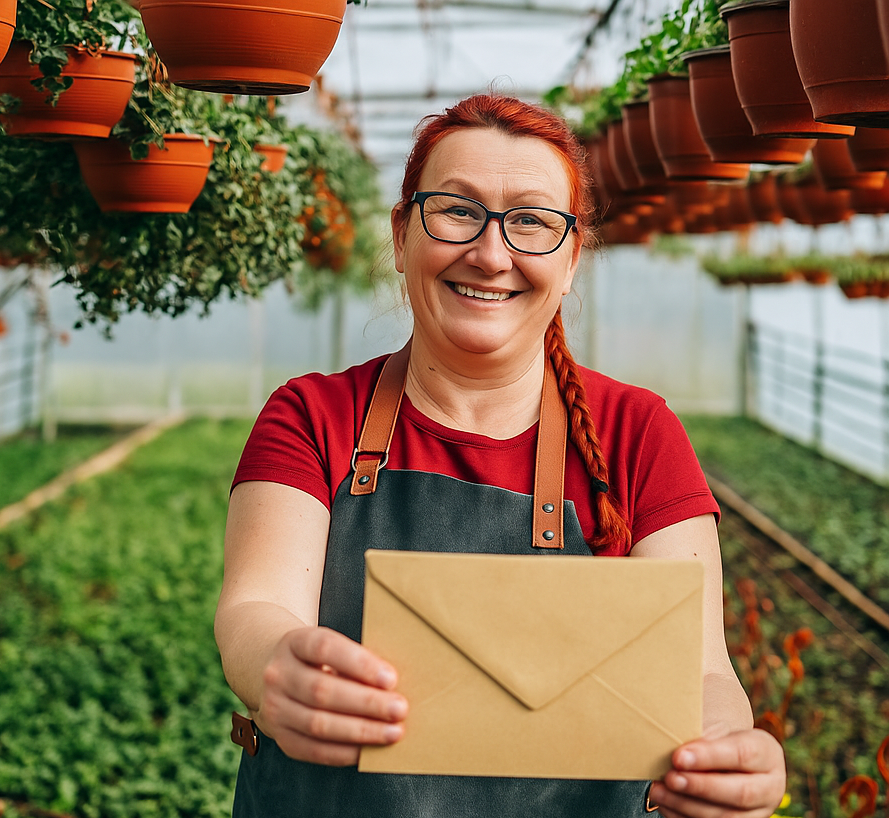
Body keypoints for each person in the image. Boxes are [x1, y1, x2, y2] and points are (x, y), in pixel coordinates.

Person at [214, 93, 786, 818]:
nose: (490, 253)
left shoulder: (638, 432)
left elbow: (699, 671)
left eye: (532, 222)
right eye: (456, 210)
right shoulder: (313, 416)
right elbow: (256, 607)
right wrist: (276, 668)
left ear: (572, 257)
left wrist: (731, 752)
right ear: (401, 235)